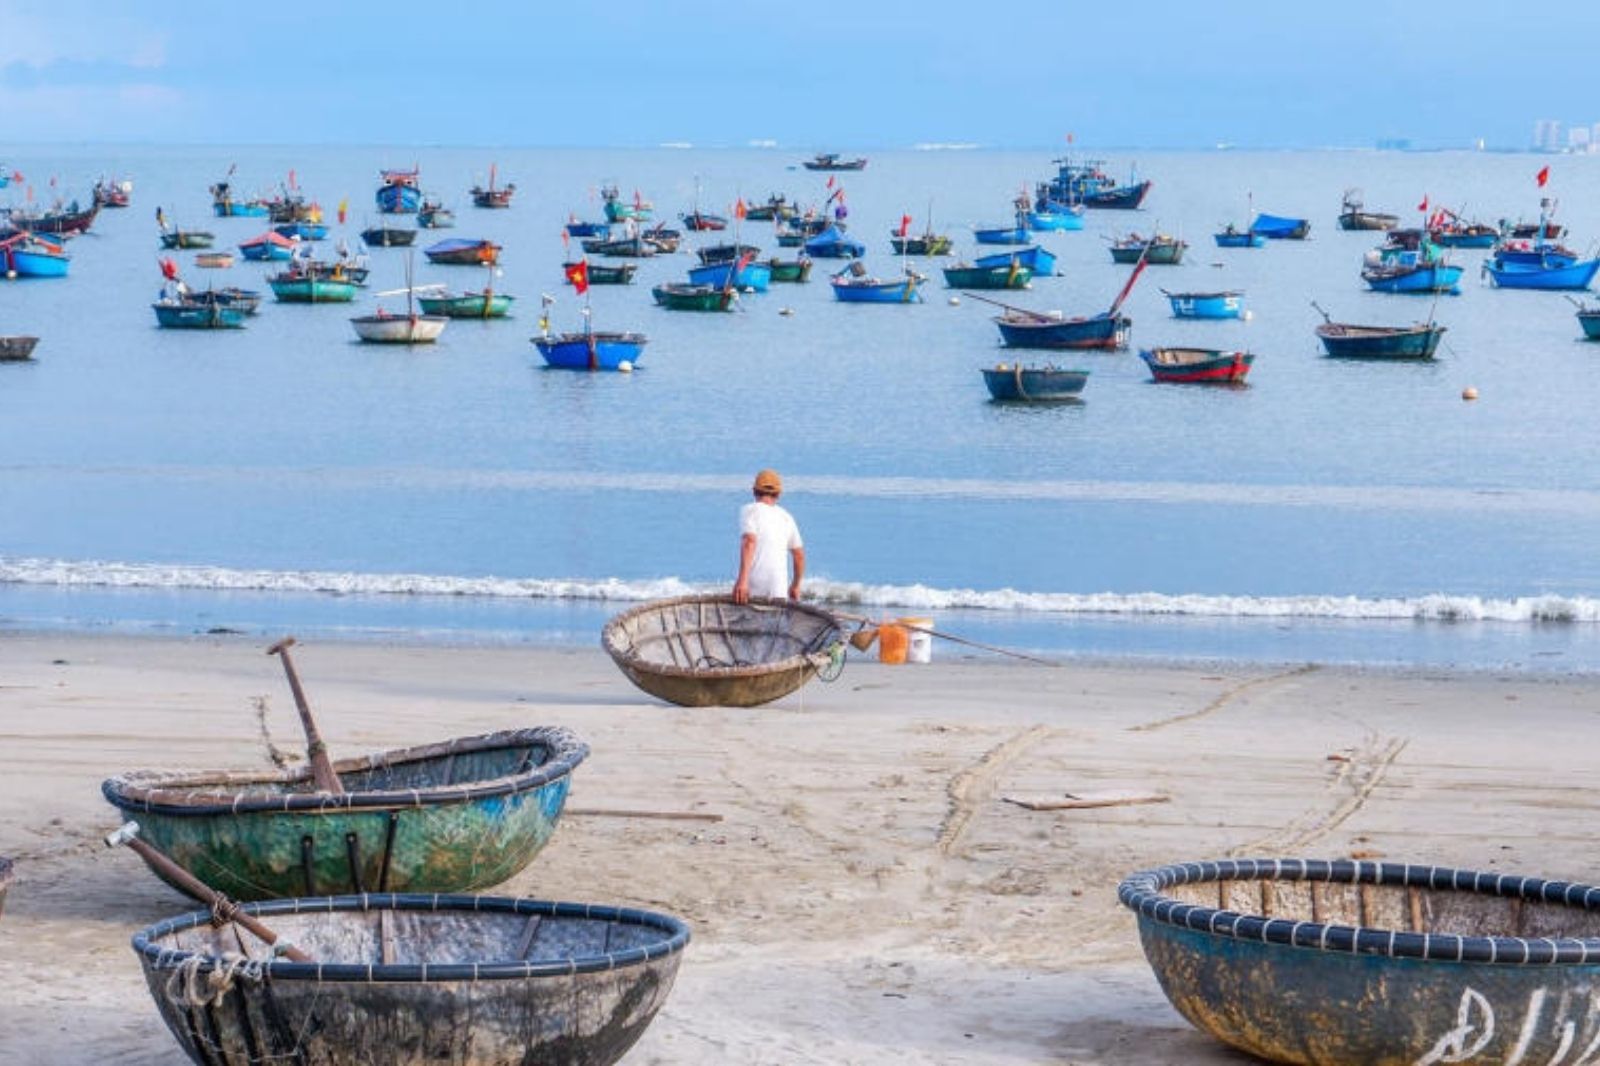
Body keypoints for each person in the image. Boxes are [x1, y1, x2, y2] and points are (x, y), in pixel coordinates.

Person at [732, 469, 804, 604]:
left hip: (755, 587)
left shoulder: (749, 510)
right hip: (779, 591)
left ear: (754, 491)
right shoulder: (786, 517)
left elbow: (749, 542)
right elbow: (799, 555)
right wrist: (795, 585)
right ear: (778, 494)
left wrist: (742, 581)